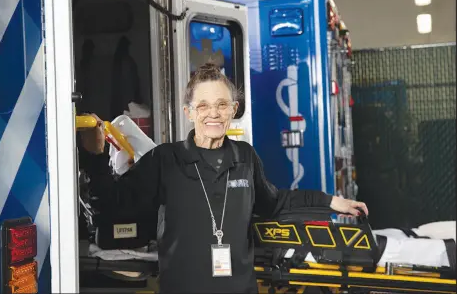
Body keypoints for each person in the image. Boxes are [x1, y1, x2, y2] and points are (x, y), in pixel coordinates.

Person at [79, 63, 369, 294]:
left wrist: (332, 201)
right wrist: (95, 156)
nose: (213, 113)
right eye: (203, 106)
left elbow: (275, 202)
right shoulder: (165, 160)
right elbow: (114, 205)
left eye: (222, 104)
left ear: (233, 109)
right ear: (189, 113)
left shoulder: (245, 157)